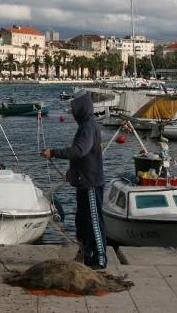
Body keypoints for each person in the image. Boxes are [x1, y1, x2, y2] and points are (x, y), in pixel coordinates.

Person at [41, 90, 106, 269]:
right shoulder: (85, 125)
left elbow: (79, 151)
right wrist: (73, 171)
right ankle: (87, 254)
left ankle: (100, 259)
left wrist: (53, 152)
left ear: (82, 108)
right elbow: (82, 155)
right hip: (83, 181)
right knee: (82, 221)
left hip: (91, 183)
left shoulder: (88, 127)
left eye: (74, 108)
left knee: (94, 221)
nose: (72, 112)